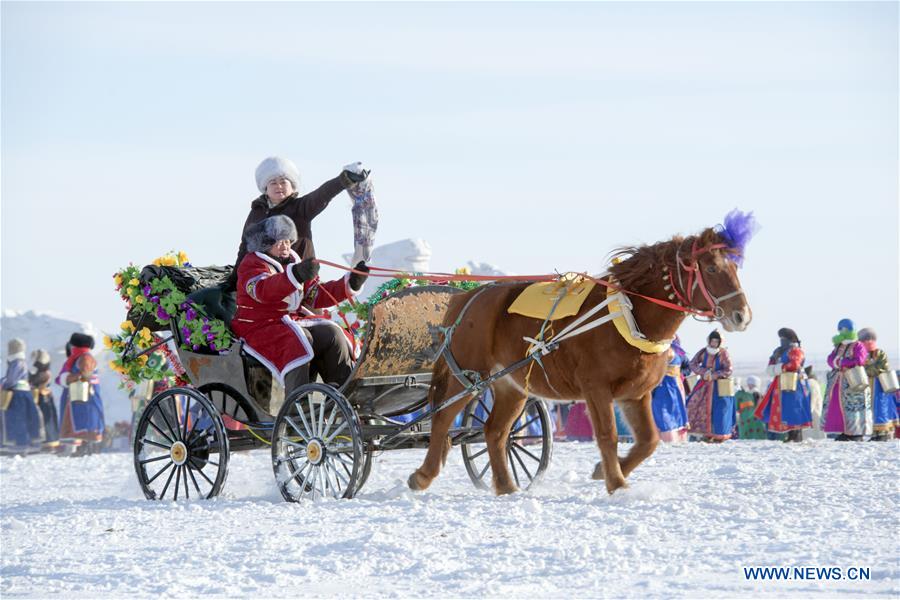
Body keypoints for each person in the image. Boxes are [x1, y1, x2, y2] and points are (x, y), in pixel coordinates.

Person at [230, 215, 368, 394]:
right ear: (265, 243)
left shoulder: (294, 262)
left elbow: (316, 294)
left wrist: (350, 283)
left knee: (332, 333)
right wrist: (295, 275)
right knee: (298, 339)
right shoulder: (251, 264)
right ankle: (298, 401)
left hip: (288, 322)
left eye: (288, 241)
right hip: (257, 327)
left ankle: (345, 392)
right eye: (279, 242)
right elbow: (263, 290)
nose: (286, 247)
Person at [754, 328, 812, 442]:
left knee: (794, 408)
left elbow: (795, 364)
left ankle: (796, 434)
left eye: (784, 339)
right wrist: (776, 368)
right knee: (784, 409)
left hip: (795, 384)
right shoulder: (778, 351)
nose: (782, 341)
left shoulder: (796, 350)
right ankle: (790, 434)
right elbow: (770, 365)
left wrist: (780, 367)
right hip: (780, 384)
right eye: (780, 338)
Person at [822, 319, 872, 441]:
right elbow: (830, 358)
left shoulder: (858, 345)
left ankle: (856, 433)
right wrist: (837, 362)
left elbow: (860, 360)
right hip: (838, 381)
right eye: (840, 330)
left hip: (853, 381)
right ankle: (845, 431)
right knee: (839, 406)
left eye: (843, 330)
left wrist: (841, 362)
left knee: (855, 407)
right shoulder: (839, 345)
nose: (840, 332)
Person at [57, 333, 106, 453]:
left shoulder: (85, 357)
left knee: (86, 420)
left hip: (86, 395)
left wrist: (69, 378)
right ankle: (77, 447)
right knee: (77, 420)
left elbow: (86, 374)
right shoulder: (77, 357)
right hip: (77, 393)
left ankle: (86, 448)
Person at [685, 330, 736, 442]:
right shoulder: (703, 352)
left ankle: (719, 435)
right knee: (694, 404)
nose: (714, 343)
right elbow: (692, 364)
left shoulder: (724, 354)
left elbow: (728, 369)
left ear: (720, 342)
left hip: (719, 387)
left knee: (720, 410)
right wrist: (703, 372)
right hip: (704, 385)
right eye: (712, 341)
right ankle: (703, 433)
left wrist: (714, 375)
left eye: (716, 341)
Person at [1, 339, 42, 450]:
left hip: (17, 394)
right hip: (24, 393)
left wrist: (3, 384)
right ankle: (24, 443)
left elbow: (12, 379)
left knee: (16, 419)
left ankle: (18, 444)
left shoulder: (16, 362)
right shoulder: (21, 362)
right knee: (24, 418)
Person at [858, 328, 898, 441]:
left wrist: (866, 370)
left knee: (880, 408)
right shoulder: (861, 354)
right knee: (868, 409)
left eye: (870, 339)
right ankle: (872, 432)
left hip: (879, 386)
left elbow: (882, 367)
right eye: (865, 339)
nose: (868, 341)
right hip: (866, 386)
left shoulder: (879, 353)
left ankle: (882, 433)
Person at [650, 336, 690, 442]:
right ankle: (665, 436)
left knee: (675, 410)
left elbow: (688, 367)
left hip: (675, 385)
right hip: (662, 385)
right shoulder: (659, 350)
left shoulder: (679, 353)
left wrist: (681, 373)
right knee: (662, 410)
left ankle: (674, 436)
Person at [28, 349, 60, 449]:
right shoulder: (45, 371)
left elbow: (34, 380)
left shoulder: (42, 371)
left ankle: (48, 441)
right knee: (47, 419)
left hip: (41, 396)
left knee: (44, 419)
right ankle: (49, 440)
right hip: (44, 396)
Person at [735, 375, 767, 440]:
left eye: (751, 384)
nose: (749, 385)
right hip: (753, 418)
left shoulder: (743, 394)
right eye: (749, 384)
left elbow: (737, 406)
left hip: (746, 418)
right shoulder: (758, 394)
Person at [802, 366, 827, 440]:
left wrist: (807, 412)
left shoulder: (809, 383)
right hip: (818, 409)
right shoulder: (815, 383)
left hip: (810, 412)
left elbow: (811, 401)